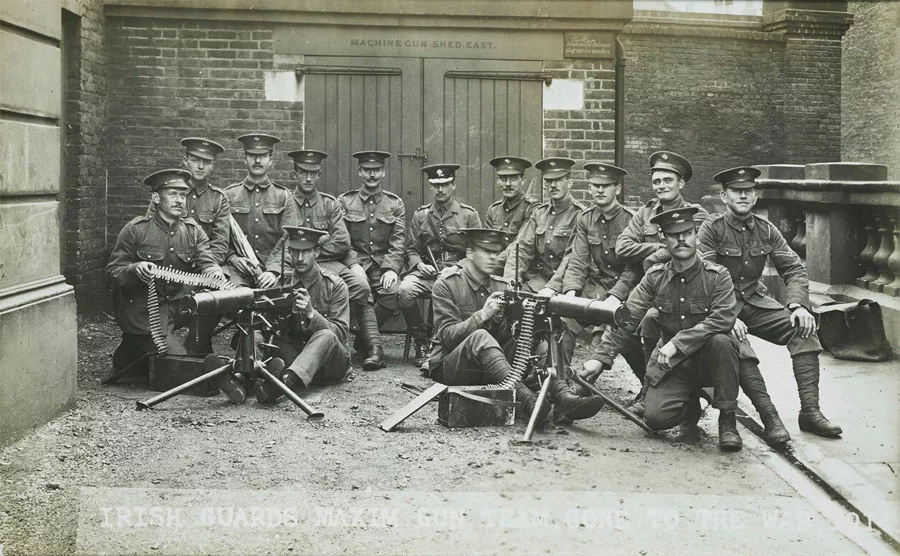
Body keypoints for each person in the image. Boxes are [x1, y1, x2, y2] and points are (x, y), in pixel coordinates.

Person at [698, 166, 841, 439]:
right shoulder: (711, 229)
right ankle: (770, 417)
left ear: (755, 197)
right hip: (722, 306)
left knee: (804, 331)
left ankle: (810, 412)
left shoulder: (766, 229)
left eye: (748, 192)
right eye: (736, 192)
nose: (743, 196)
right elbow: (705, 278)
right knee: (738, 346)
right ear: (724, 196)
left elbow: (794, 269)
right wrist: (726, 317)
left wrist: (799, 306)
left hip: (755, 301)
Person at [584, 206, 743, 451]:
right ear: (663, 240)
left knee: (722, 341)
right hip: (675, 366)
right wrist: (599, 358)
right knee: (656, 419)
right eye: (673, 235)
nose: (681, 239)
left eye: (687, 233)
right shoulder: (655, 276)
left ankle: (727, 420)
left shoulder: (717, 275)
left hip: (709, 361)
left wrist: (678, 343)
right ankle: (689, 405)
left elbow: (723, 318)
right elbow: (627, 319)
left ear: (696, 235)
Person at [428, 228, 603, 425]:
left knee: (539, 339)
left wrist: (524, 327)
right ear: (469, 253)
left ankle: (564, 398)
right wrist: (483, 315)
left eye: (496, 252)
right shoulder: (447, 285)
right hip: (452, 367)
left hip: (493, 368)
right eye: (486, 252)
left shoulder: (502, 287)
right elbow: (447, 337)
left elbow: (507, 336)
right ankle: (527, 400)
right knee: (480, 337)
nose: (493, 257)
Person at [262, 150, 383, 371]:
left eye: (313, 173)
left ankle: (373, 344)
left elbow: (342, 242)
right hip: (297, 265)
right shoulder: (286, 203)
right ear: (295, 174)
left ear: (319, 175)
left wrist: (314, 249)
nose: (308, 179)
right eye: (304, 173)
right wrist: (273, 269)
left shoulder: (330, 204)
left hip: (328, 264)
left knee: (361, 286)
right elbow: (284, 243)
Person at [106, 169, 224, 375]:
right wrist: (134, 269)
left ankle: (192, 352)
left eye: (182, 195)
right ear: (156, 198)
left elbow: (206, 260)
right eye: (172, 194)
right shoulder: (136, 229)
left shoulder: (193, 231)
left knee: (215, 301)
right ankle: (136, 353)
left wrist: (213, 270)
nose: (179, 200)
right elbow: (113, 272)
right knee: (178, 369)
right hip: (147, 311)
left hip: (179, 306)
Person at [560, 163, 646, 397]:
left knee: (605, 327)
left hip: (626, 289)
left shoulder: (631, 220)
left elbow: (633, 267)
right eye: (595, 186)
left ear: (617, 189)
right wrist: (570, 293)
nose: (599, 190)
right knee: (565, 320)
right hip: (595, 287)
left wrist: (615, 295)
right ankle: (560, 381)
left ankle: (583, 386)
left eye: (605, 186)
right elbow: (578, 259)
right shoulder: (586, 219)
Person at [249, 226, 351, 404]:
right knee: (254, 333)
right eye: (295, 252)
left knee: (326, 335)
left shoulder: (335, 285)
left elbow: (340, 336)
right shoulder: (280, 284)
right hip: (294, 355)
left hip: (330, 365)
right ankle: (241, 378)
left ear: (317, 252)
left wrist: (312, 314)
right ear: (288, 253)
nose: (300, 258)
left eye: (306, 252)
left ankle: (285, 381)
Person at [502, 157, 584, 366]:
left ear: (570, 182)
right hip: (539, 281)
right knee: (506, 305)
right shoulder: (540, 214)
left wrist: (551, 288)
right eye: (548, 181)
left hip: (568, 284)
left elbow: (571, 258)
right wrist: (511, 280)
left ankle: (558, 379)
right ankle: (514, 366)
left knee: (563, 322)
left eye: (558, 180)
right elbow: (521, 249)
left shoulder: (580, 216)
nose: (553, 186)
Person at [400, 163, 482, 367]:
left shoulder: (468, 215)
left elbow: (477, 253)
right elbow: (410, 250)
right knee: (404, 290)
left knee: (443, 289)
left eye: (445, 184)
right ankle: (421, 341)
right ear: (430, 187)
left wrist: (458, 267)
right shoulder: (421, 215)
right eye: (435, 185)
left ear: (453, 185)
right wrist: (419, 266)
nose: (440, 189)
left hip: (458, 276)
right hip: (428, 274)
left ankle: (440, 343)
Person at [338, 150, 405, 361]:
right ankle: (375, 347)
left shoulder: (395, 204)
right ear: (360, 172)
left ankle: (363, 336)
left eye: (376, 170)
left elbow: (398, 241)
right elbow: (342, 240)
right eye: (367, 170)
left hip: (381, 265)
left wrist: (392, 268)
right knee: (361, 288)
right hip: (355, 265)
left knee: (394, 292)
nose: (372, 175)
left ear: (383, 172)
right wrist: (353, 263)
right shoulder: (346, 202)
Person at [223, 133, 297, 288]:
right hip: (239, 270)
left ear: (270, 160)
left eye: (262, 156)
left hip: (273, 270)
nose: (257, 160)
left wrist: (274, 271)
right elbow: (222, 237)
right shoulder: (229, 195)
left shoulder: (283, 196)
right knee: (235, 298)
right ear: (245, 159)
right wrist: (233, 258)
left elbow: (288, 239)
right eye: (252, 155)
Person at [484, 156, 538, 269]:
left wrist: (493, 264)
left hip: (522, 271)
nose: (508, 184)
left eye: (513, 178)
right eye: (503, 179)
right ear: (497, 181)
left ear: (523, 180)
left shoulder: (532, 209)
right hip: (494, 269)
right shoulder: (493, 210)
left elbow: (521, 245)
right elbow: (488, 246)